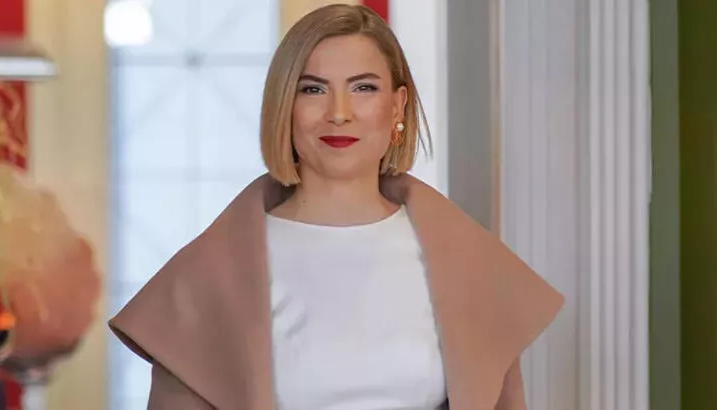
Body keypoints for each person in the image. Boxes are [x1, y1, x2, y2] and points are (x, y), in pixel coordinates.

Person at [109, 4, 563, 410]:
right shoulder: (210, 278)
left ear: (398, 106)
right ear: (284, 106)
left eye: (363, 87)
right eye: (313, 89)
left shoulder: (470, 264)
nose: (339, 112)